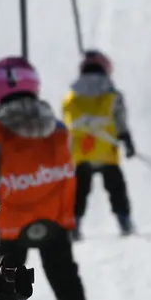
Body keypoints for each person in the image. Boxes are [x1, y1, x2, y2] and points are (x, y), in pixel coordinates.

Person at [0, 56, 91, 300]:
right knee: (63, 270)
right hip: (53, 215)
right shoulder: (56, 126)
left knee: (5, 273)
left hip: (15, 218)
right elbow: (68, 165)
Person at [61, 50, 135, 238]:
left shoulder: (71, 97)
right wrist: (127, 141)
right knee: (116, 187)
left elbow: (68, 123)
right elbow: (120, 121)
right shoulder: (113, 95)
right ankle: (124, 220)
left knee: (79, 189)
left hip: (81, 151)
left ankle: (74, 224)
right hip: (106, 150)